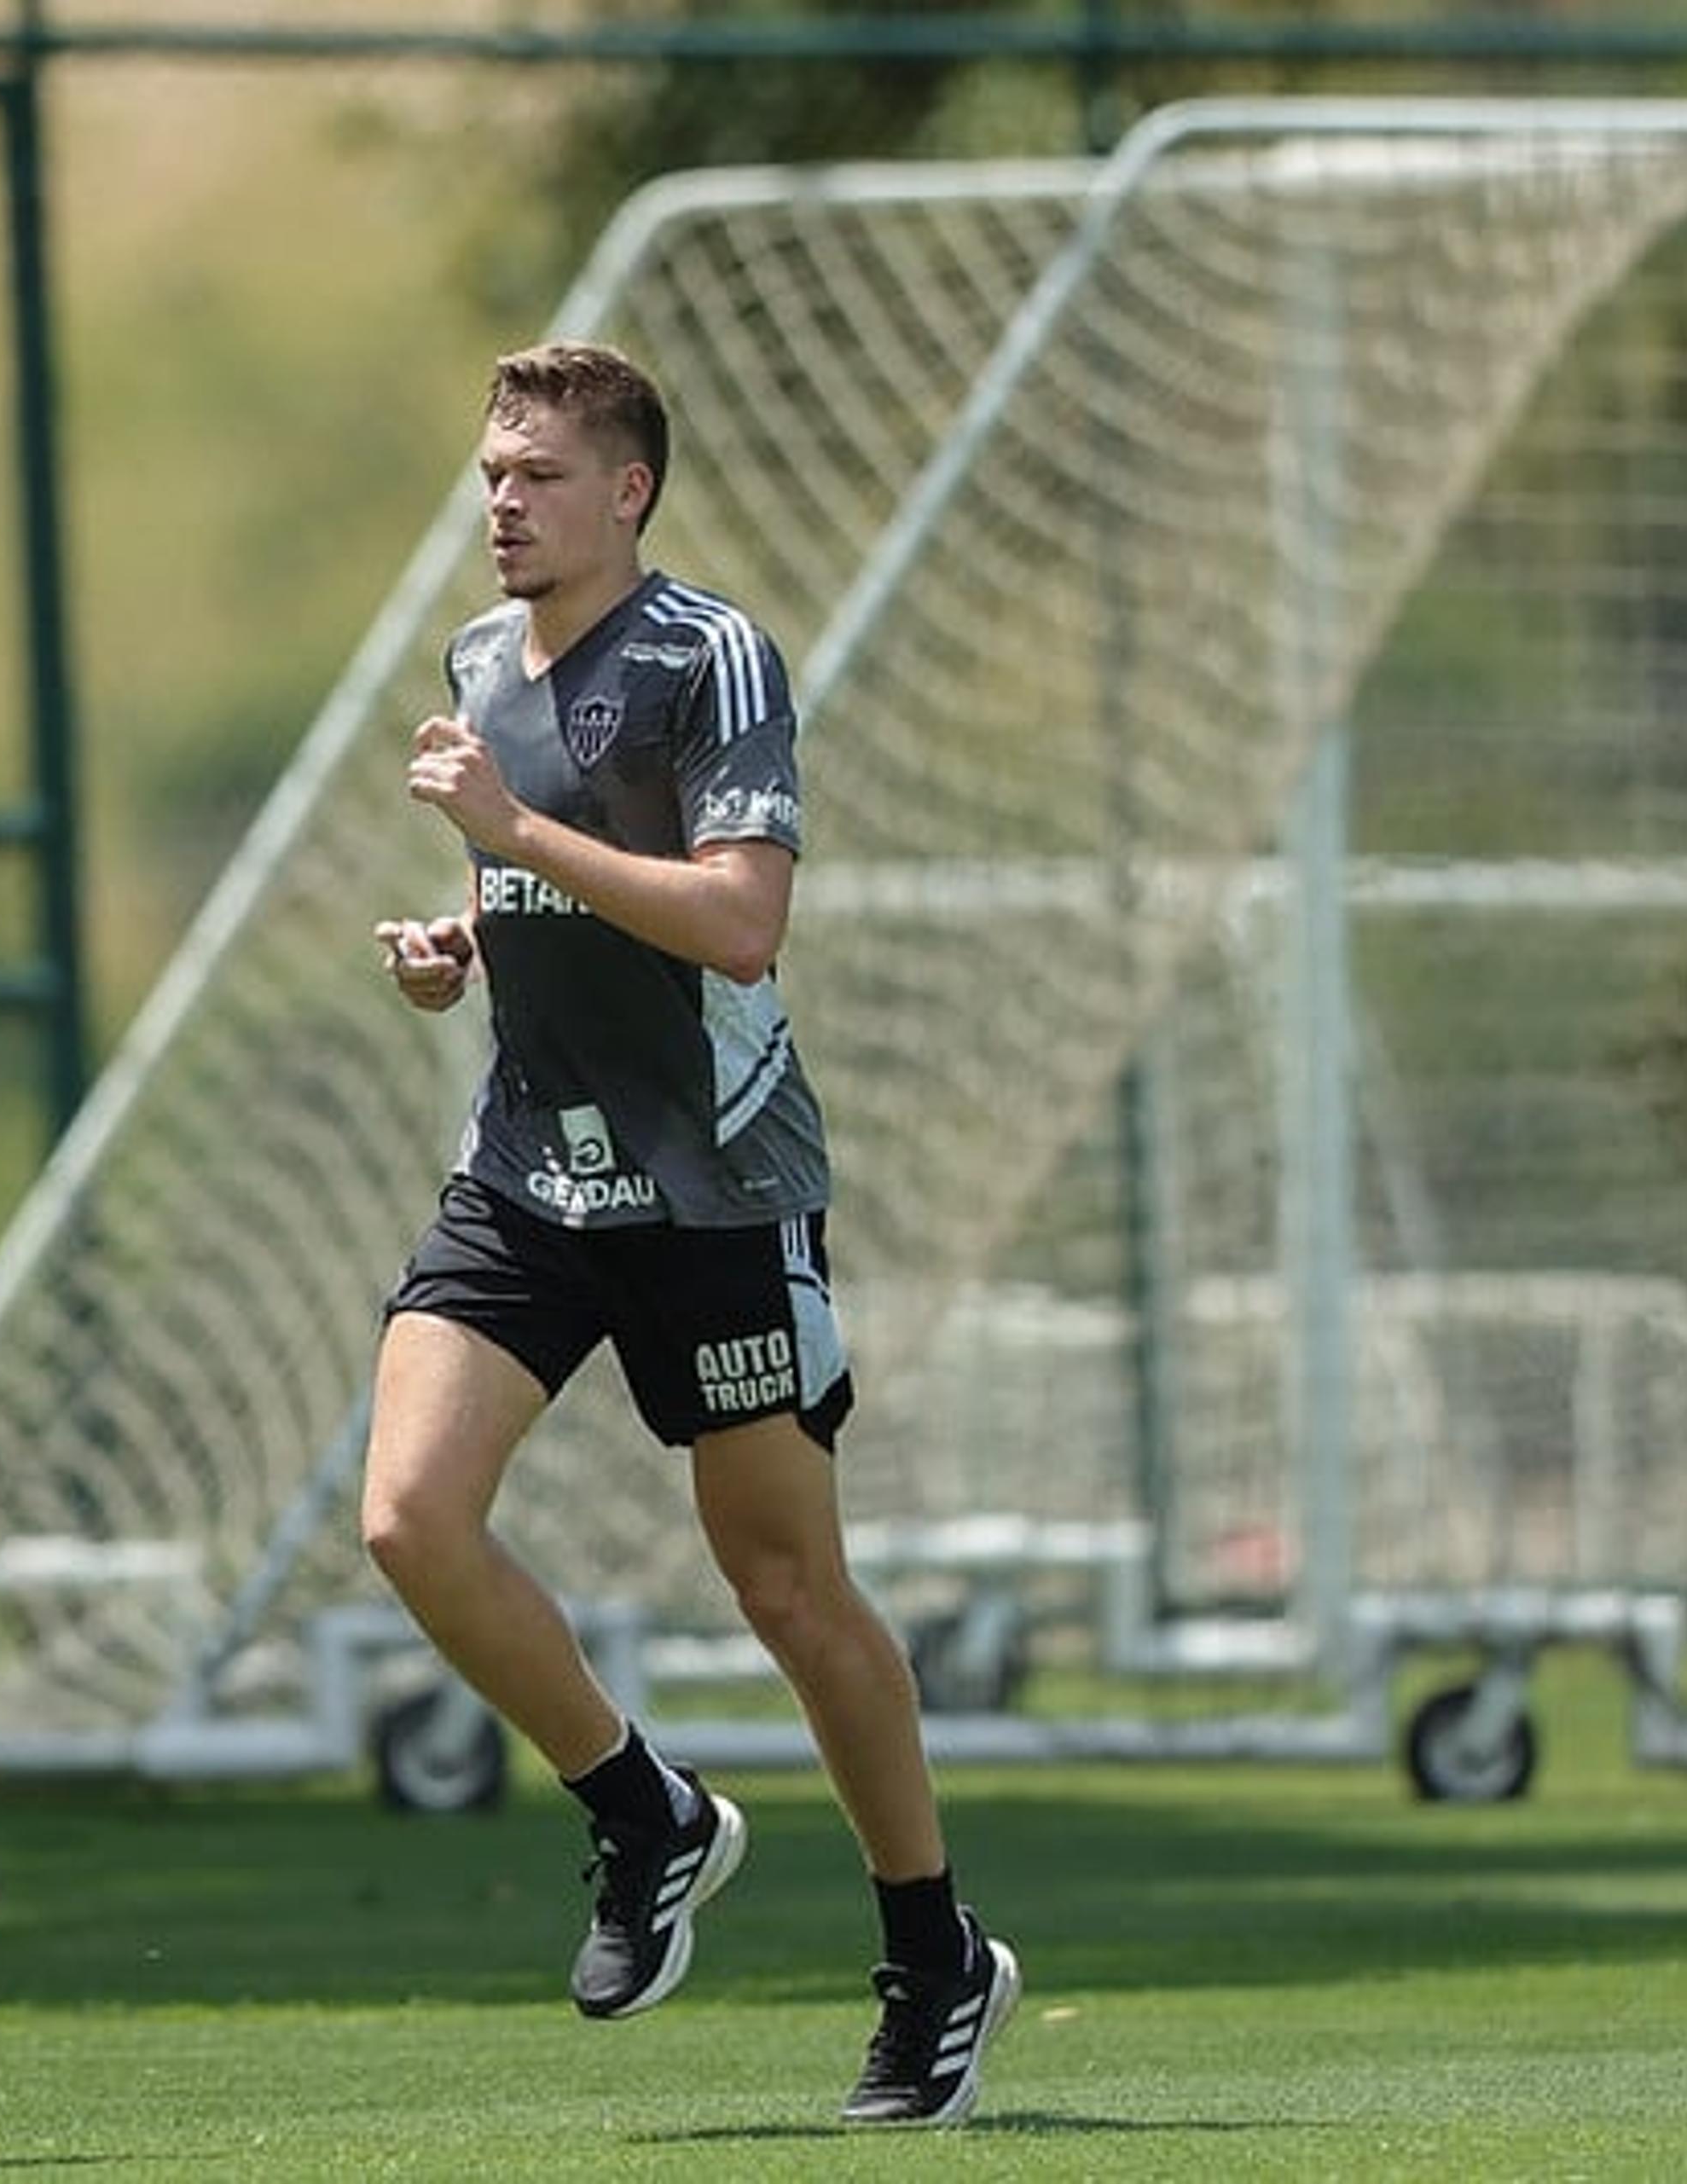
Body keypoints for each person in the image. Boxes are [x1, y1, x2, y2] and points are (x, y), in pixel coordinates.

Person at [361, 339, 1017, 2129]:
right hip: (533, 1170)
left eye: (538, 475)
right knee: (410, 1517)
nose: (503, 502)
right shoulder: (480, 663)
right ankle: (645, 1813)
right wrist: (464, 938)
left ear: (627, 491)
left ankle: (935, 1955)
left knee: (789, 1589)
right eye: (491, 471)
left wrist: (507, 840)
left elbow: (736, 922)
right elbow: (545, 873)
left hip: (717, 1183)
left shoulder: (710, 658)